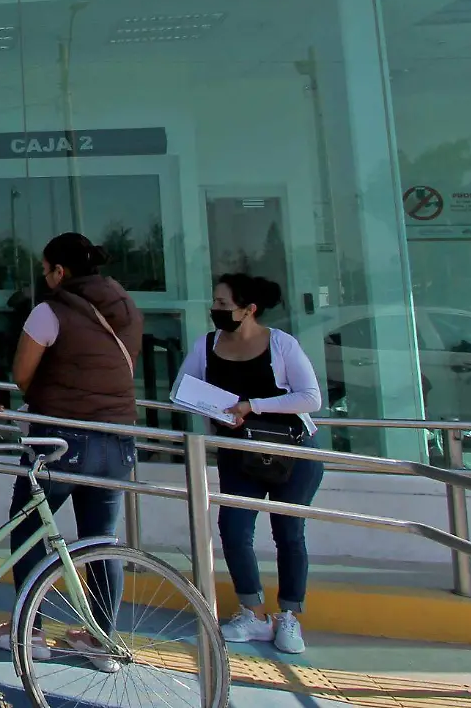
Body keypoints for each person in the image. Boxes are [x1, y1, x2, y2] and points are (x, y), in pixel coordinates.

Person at [0, 233, 141, 666]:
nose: (44, 277)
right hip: (119, 439)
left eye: (46, 269)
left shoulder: (49, 312)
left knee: (30, 531)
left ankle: (30, 632)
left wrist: (51, 398)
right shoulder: (125, 307)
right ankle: (101, 640)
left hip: (60, 442)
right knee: (100, 541)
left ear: (59, 272)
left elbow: (22, 374)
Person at [180, 273, 324, 655]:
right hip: (239, 451)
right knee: (234, 526)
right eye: (215, 303)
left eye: (225, 304)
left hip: (291, 452)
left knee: (289, 532)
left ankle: (289, 615)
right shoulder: (206, 345)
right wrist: (216, 411)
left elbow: (311, 398)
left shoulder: (281, 344)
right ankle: (253, 612)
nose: (217, 310)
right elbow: (185, 390)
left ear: (249, 309)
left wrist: (252, 405)